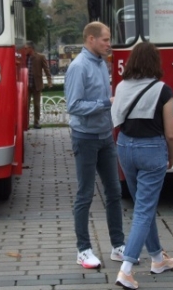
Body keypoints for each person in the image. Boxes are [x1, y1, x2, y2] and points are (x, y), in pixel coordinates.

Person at [110, 42, 173, 289]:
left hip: (125, 148)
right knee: (143, 210)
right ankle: (126, 270)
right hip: (152, 150)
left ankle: (158, 259)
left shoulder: (122, 86)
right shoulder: (163, 90)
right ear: (155, 62)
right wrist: (171, 156)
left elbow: (115, 119)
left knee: (142, 206)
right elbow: (170, 133)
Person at [64, 21, 125, 269]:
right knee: (85, 194)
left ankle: (118, 246)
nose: (109, 44)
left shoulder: (100, 63)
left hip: (105, 136)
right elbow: (73, 106)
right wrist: (106, 102)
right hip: (85, 138)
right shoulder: (78, 67)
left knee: (114, 192)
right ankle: (83, 249)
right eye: (105, 39)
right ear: (91, 39)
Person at [25, 41, 52, 129]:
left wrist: (49, 80)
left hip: (37, 84)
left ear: (31, 48)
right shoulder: (25, 58)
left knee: (37, 105)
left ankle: (36, 122)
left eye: (26, 48)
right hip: (27, 85)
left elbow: (46, 69)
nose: (25, 50)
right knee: (26, 105)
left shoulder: (40, 57)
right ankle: (26, 123)